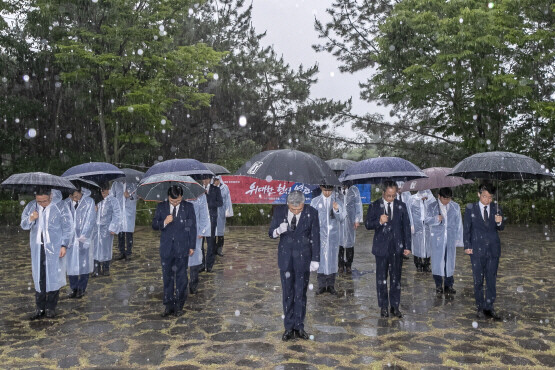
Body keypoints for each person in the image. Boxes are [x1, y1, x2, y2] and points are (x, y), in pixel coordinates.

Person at [269, 191, 320, 341]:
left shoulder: (312, 213)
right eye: (293, 209)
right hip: (286, 260)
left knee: (300, 293)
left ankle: (299, 326)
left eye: (299, 209)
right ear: (288, 204)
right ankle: (288, 327)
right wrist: (279, 230)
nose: (296, 211)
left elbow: (315, 236)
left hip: (304, 259)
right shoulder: (279, 212)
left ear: (304, 204)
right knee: (287, 293)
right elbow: (270, 233)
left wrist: (315, 259)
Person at [21, 187, 72, 319]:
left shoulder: (60, 207)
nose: (42, 203)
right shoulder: (32, 206)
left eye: (44, 201)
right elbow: (23, 224)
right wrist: (31, 218)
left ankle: (51, 307)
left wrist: (63, 244)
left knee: (53, 276)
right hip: (38, 247)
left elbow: (68, 227)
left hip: (55, 247)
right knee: (39, 277)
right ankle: (40, 307)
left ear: (50, 196)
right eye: (39, 201)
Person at [365, 180, 411, 318]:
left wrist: (407, 246)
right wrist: (379, 221)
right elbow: (367, 224)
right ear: (383, 192)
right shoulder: (374, 206)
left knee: (396, 279)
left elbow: (406, 227)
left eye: (394, 195)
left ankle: (395, 306)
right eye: (389, 195)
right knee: (381, 279)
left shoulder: (401, 206)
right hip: (381, 249)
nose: (391, 198)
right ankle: (383, 306)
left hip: (397, 248)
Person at [152, 186, 197, 317]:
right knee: (167, 278)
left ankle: (179, 305)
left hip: (182, 248)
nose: (175, 203)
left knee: (181, 277)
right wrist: (164, 222)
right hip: (166, 249)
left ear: (181, 197)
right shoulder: (161, 207)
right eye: (172, 201)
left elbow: (192, 227)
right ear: (168, 197)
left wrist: (192, 245)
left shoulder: (188, 207)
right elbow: (154, 225)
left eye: (177, 201)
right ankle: (168, 305)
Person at [464, 182, 504, 320]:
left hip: (493, 250)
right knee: (478, 280)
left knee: (491, 279)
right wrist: (467, 245)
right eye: (484, 196)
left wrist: (499, 221)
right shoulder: (471, 209)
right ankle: (480, 307)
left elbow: (501, 227)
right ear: (479, 194)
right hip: (476, 249)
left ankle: (489, 307)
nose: (487, 200)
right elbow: (467, 229)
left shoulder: (496, 208)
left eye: (490, 197)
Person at [424, 187, 463, 295]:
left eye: (448, 199)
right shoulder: (432, 206)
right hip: (437, 239)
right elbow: (426, 220)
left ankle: (449, 285)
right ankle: (438, 285)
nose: (446, 201)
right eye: (444, 198)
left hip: (450, 239)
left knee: (449, 262)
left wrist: (458, 238)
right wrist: (436, 219)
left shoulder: (455, 207)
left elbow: (459, 223)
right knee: (437, 263)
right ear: (439, 196)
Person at [310, 184, 344, 295]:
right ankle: (321, 285)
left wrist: (337, 210)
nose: (327, 193)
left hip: (333, 236)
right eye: (325, 190)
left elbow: (342, 218)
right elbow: (311, 220)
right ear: (321, 188)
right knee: (320, 259)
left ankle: (330, 285)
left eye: (330, 190)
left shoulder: (337, 201)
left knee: (332, 259)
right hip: (319, 236)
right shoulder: (315, 201)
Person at [65, 186, 96, 298]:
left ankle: (82, 288)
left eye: (77, 194)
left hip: (83, 237)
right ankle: (74, 287)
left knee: (83, 263)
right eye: (72, 196)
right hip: (71, 238)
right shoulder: (66, 203)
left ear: (80, 192)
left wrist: (85, 234)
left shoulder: (89, 202)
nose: (75, 197)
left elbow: (91, 218)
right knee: (71, 263)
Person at [92, 182, 121, 277]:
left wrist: (113, 227)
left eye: (104, 192)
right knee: (95, 248)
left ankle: (106, 268)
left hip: (107, 228)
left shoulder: (113, 201)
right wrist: (94, 210)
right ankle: (96, 269)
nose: (103, 194)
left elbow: (117, 214)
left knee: (106, 248)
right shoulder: (95, 200)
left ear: (108, 190)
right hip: (96, 228)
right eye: (101, 192)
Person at [188, 192, 211, 294]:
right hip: (179, 231)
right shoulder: (176, 190)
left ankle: (193, 283)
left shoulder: (200, 194)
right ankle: (181, 283)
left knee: (194, 257)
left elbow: (204, 213)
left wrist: (203, 230)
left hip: (195, 230)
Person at [409, 190, 435, 272]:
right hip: (417, 226)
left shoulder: (431, 199)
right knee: (417, 245)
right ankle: (418, 263)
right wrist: (411, 224)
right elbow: (409, 212)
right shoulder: (412, 199)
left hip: (428, 226)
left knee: (428, 245)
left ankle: (427, 264)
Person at [339, 182, 363, 274]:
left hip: (350, 221)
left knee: (350, 243)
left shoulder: (354, 190)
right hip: (339, 221)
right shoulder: (336, 191)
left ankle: (348, 265)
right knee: (339, 243)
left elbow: (358, 204)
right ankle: (340, 265)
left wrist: (357, 219)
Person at [200, 175, 223, 272]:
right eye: (203, 179)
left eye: (206, 179)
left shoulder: (215, 189)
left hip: (211, 219)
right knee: (200, 244)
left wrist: (208, 200)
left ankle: (209, 265)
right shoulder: (198, 189)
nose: (204, 181)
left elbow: (220, 203)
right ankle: (201, 264)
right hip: (201, 220)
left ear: (210, 179)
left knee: (210, 243)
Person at [111, 181, 138, 261]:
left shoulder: (133, 184)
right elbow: (112, 196)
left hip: (129, 212)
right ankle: (121, 252)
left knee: (129, 233)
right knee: (120, 233)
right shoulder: (116, 184)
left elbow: (138, 196)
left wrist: (130, 195)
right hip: (119, 211)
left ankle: (129, 252)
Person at [214, 176, 233, 257]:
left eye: (217, 180)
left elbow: (228, 200)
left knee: (220, 233)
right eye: (214, 180)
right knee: (213, 232)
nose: (216, 181)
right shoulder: (211, 188)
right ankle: (213, 249)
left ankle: (219, 249)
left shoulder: (225, 188)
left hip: (221, 212)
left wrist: (228, 210)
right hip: (213, 212)